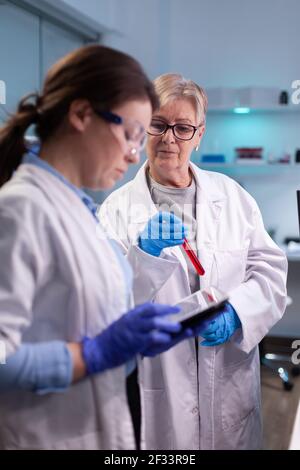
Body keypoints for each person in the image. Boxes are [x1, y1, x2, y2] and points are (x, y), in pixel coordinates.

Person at [0, 50, 195, 450]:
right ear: (82, 114)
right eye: (132, 133)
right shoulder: (21, 209)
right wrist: (96, 353)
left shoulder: (77, 208)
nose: (135, 153)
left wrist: (129, 340)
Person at [99, 73, 288, 450]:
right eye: (159, 124)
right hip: (160, 387)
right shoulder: (115, 211)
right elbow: (105, 306)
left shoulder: (232, 197)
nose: (169, 138)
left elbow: (270, 272)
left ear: (199, 135)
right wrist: (143, 257)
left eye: (183, 127)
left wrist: (237, 312)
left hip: (230, 383)